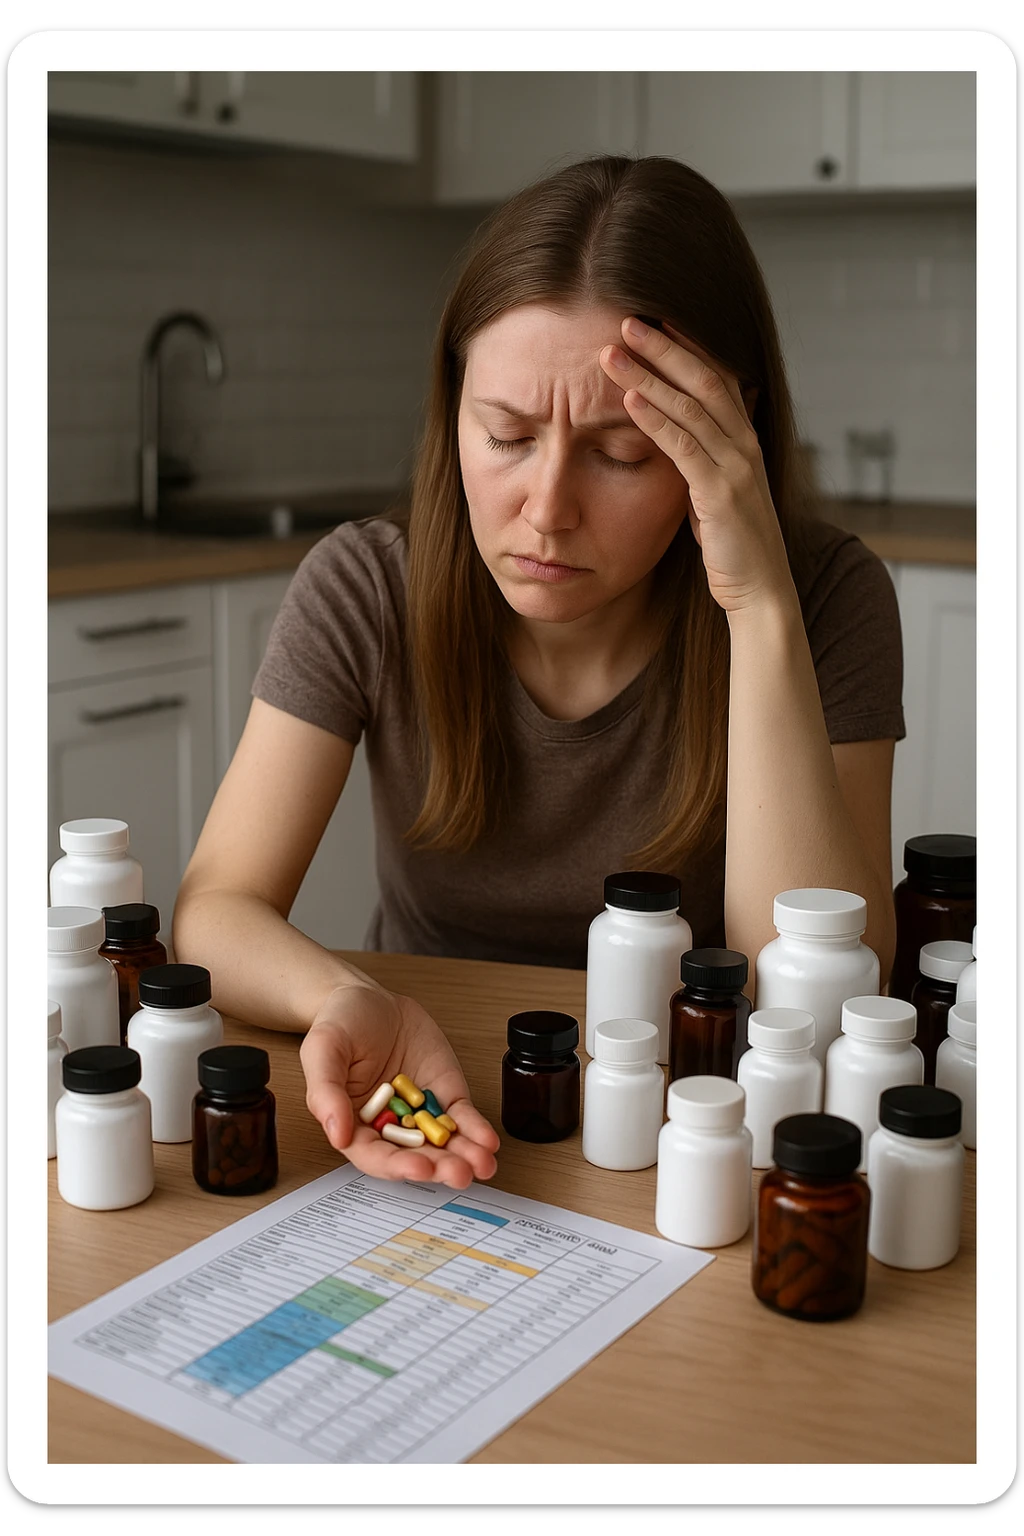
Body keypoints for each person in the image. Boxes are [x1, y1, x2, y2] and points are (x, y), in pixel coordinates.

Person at [173, 154, 905, 1191]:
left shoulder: (824, 596)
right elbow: (214, 907)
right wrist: (343, 997)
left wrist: (760, 607)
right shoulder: (366, 585)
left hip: (689, 1126)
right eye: (506, 436)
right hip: (440, 1084)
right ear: (452, 408)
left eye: (620, 455)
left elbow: (813, 987)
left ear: (723, 437)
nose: (547, 510)